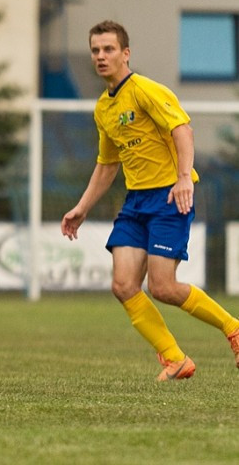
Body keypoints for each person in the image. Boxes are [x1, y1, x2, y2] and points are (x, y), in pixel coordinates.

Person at [61, 20, 239, 381]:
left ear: (125, 53)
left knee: (163, 287)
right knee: (123, 286)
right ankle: (175, 359)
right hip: (136, 202)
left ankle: (233, 328)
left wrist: (184, 177)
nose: (100, 56)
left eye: (108, 49)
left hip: (169, 196)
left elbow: (182, 130)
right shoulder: (103, 108)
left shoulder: (145, 90)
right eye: (95, 50)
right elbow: (107, 164)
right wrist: (82, 207)